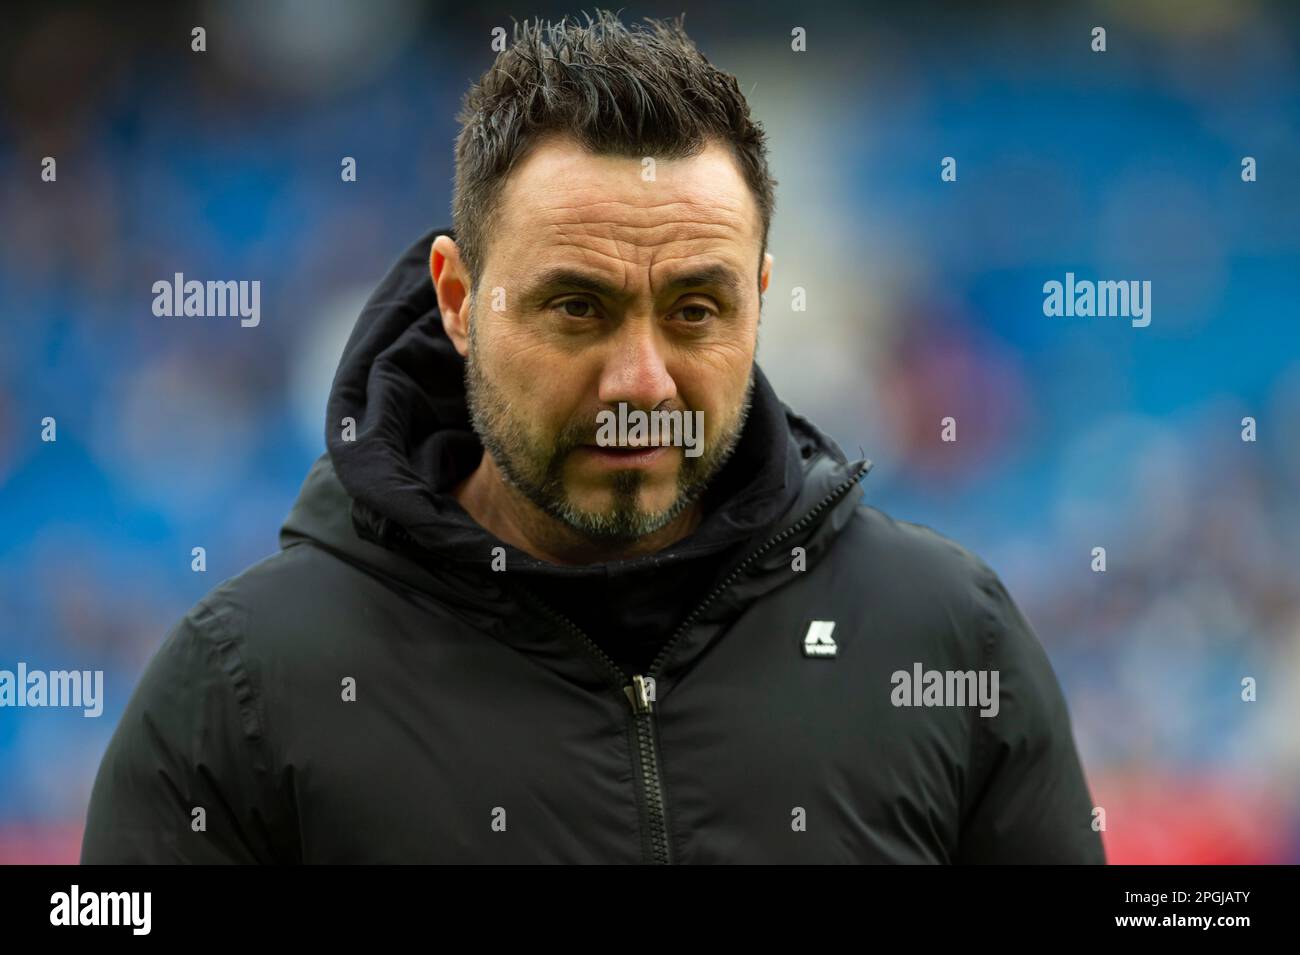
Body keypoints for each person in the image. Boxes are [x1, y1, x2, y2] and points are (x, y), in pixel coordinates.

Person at [81, 10, 1104, 864]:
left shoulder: (946, 637)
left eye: (696, 309)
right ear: (458, 299)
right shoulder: (239, 691)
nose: (640, 381)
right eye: (577, 308)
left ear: (756, 299)